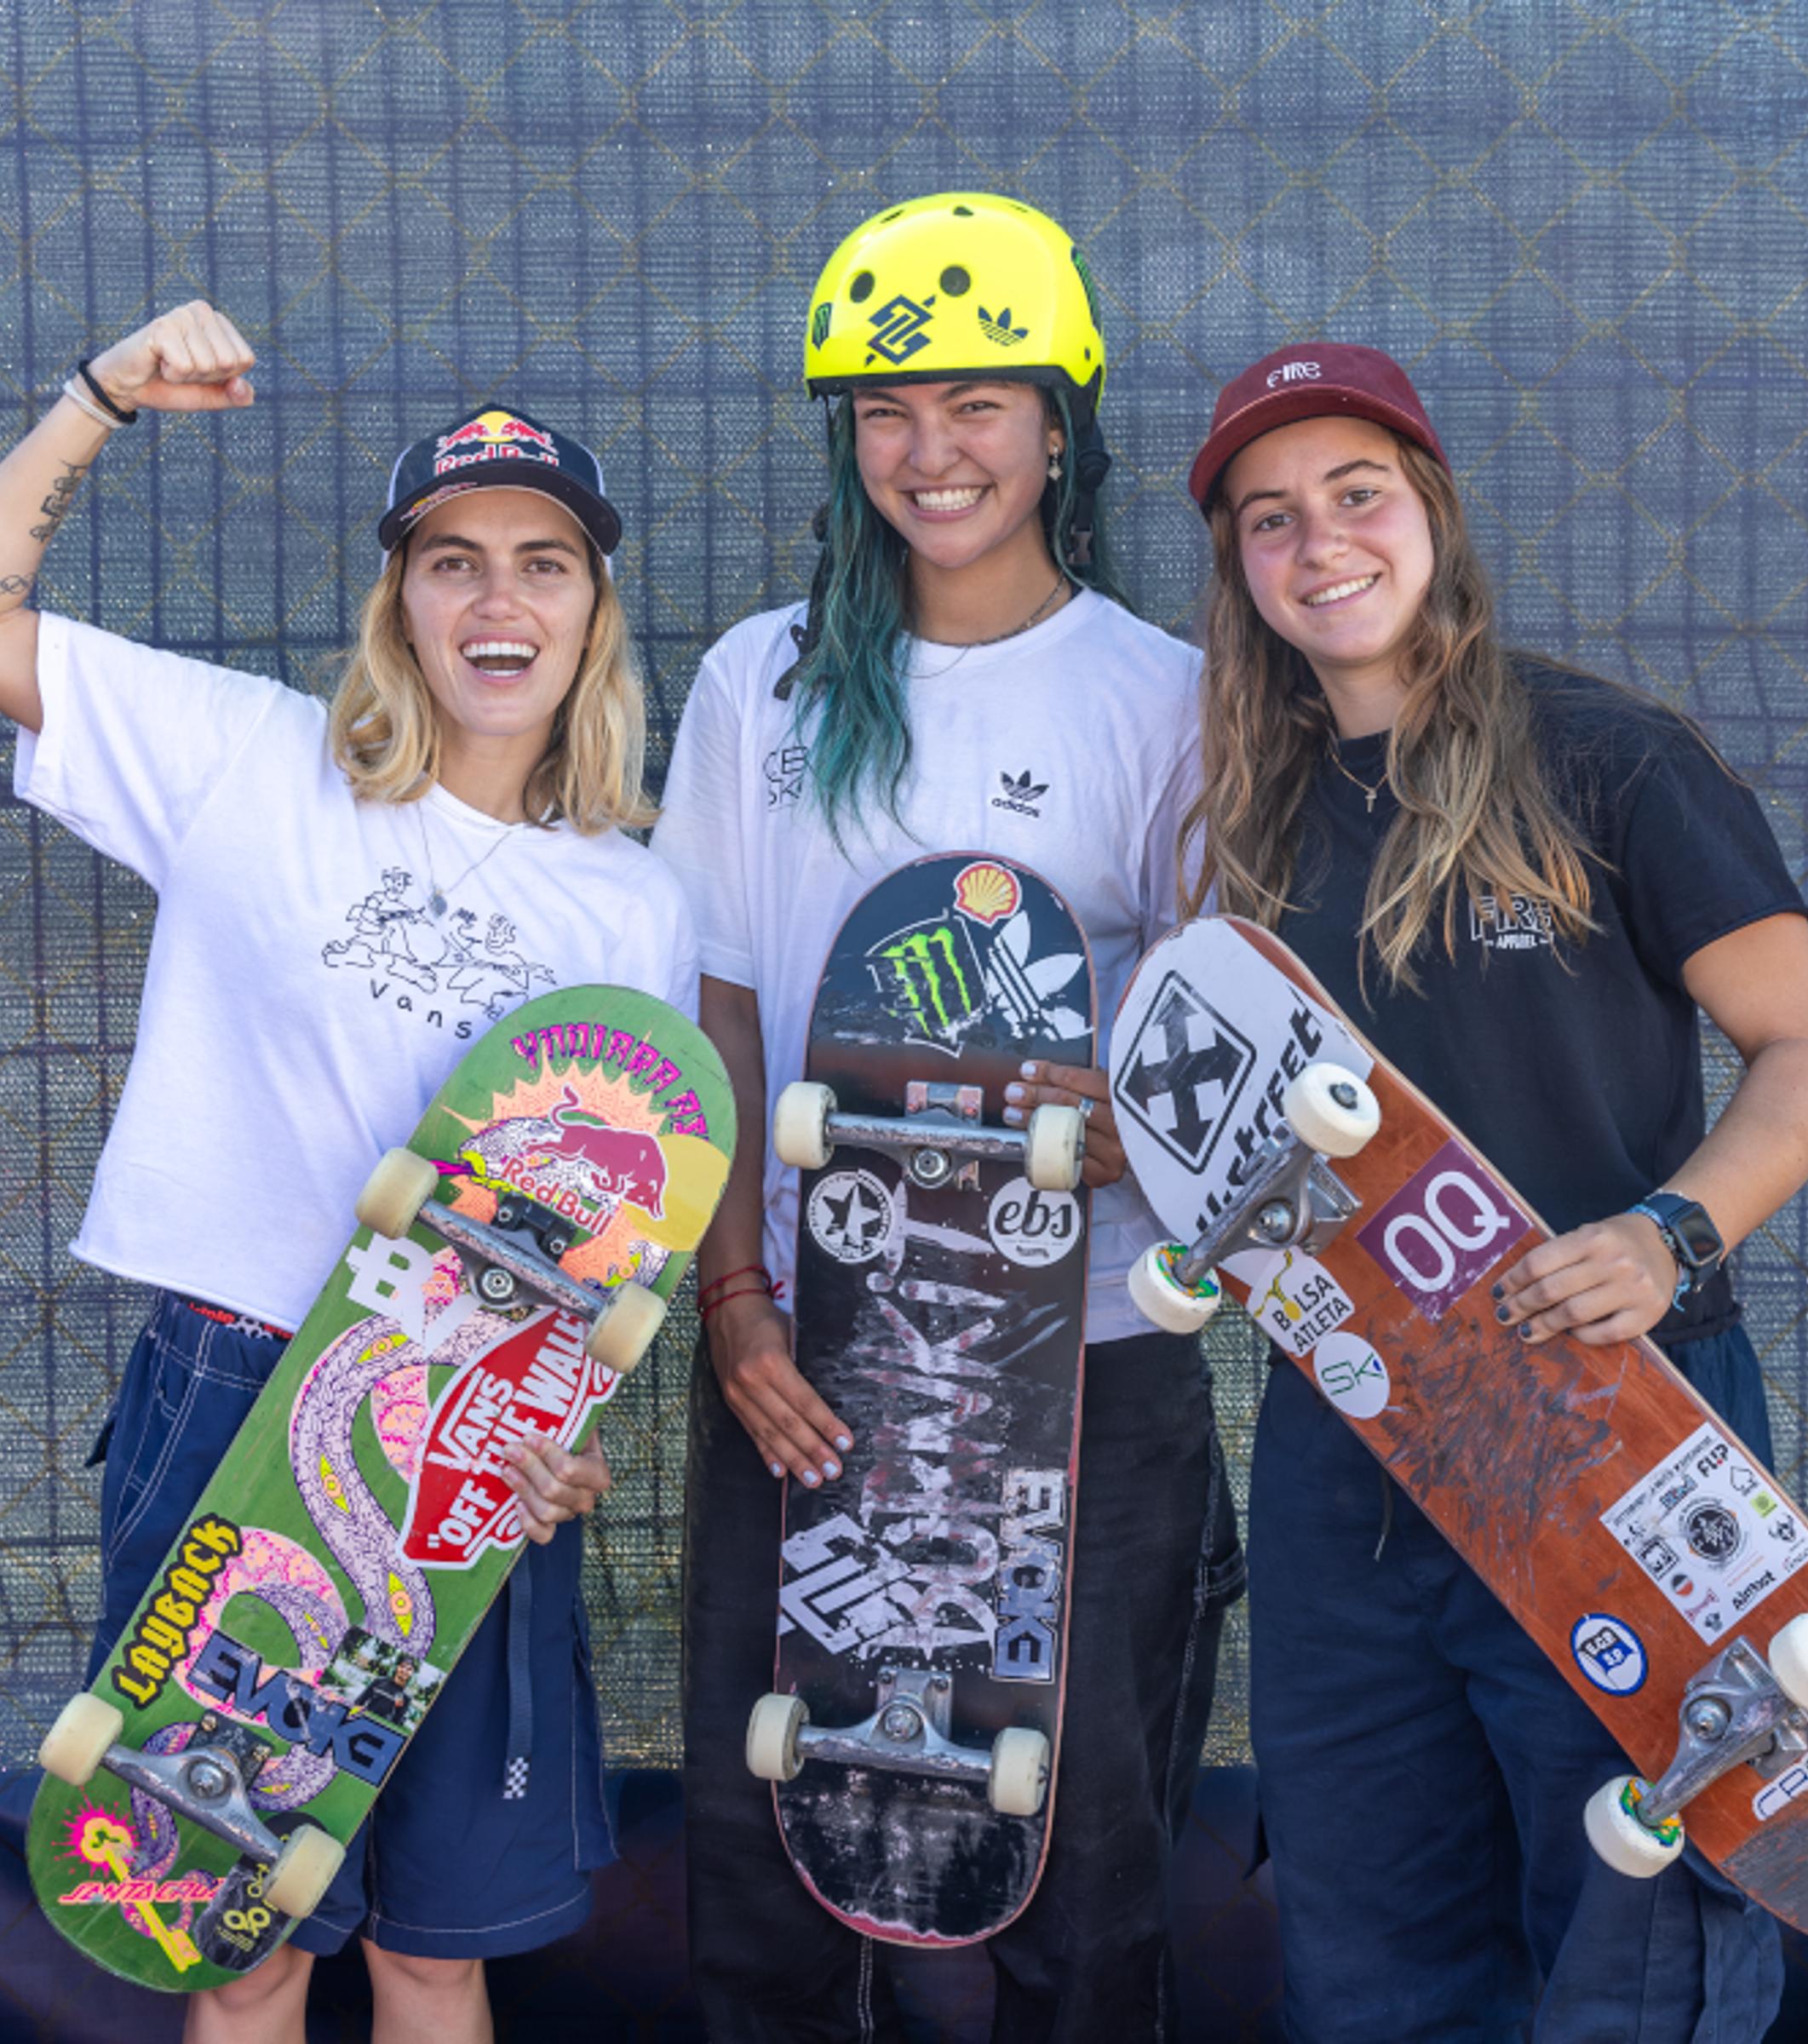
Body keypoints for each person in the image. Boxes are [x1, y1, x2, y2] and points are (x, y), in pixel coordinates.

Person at [0, 302, 696, 2044]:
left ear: (591, 613)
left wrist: (562, 1424)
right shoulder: (247, 762)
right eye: (454, 562)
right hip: (238, 1386)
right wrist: (100, 399)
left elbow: (609, 1233)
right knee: (230, 1935)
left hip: (465, 1435)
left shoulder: (636, 906)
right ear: (398, 600)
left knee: (431, 1948)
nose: (500, 603)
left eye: (544, 566)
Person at [1180, 342, 1808, 2041]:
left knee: (1644, 1935)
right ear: (1240, 570)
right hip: (1348, 1451)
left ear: (1433, 509)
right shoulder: (1249, 820)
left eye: (1357, 495)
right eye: (1270, 519)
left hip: (1613, 1432)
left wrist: (1668, 1233)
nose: (1319, 544)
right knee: (1370, 1943)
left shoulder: (1608, 761)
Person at [653, 194, 1243, 2039]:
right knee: (773, 1834)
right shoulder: (764, 681)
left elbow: (1213, 1047)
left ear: (1060, 426)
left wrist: (1131, 1128)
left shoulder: (1170, 699)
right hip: (811, 1352)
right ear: (847, 439)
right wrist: (733, 1297)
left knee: (1082, 1847)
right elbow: (724, 1005)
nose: (935, 452)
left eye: (980, 404)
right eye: (889, 412)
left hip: (1093, 1356)